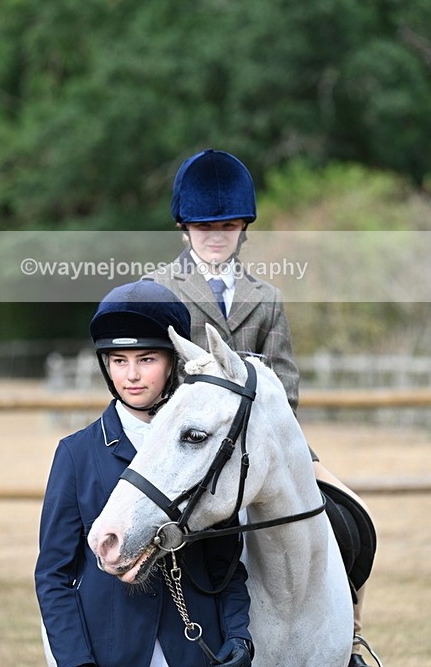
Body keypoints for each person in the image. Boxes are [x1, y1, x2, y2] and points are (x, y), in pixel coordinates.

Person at [151, 148, 375, 667]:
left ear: (243, 229)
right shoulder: (159, 290)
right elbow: (157, 375)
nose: (216, 237)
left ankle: (350, 636)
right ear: (184, 228)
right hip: (189, 444)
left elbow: (285, 381)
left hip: (264, 442)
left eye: (227, 227)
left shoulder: (265, 296)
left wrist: (278, 446)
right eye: (204, 227)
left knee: (350, 514)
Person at [35, 279, 254, 667]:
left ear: (173, 363)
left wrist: (238, 634)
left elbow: (225, 564)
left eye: (147, 359)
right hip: (108, 651)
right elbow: (54, 575)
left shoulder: (204, 449)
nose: (131, 375)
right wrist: (76, 661)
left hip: (194, 649)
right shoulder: (75, 454)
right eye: (119, 361)